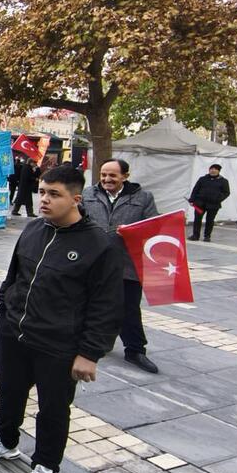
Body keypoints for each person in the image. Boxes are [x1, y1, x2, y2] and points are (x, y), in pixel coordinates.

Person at [0, 165, 122, 473]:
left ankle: (46, 467)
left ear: (76, 199)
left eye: (54, 194)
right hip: (15, 332)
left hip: (59, 344)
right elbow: (14, 275)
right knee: (9, 390)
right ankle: (5, 439)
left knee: (53, 409)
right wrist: (5, 307)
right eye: (42, 192)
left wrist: (90, 353)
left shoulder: (100, 244)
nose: (44, 200)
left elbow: (107, 305)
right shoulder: (34, 229)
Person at [81, 159, 160, 373]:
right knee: (91, 306)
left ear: (125, 176)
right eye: (104, 174)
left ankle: (135, 350)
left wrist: (133, 231)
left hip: (127, 264)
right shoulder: (88, 194)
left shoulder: (143, 197)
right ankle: (94, 344)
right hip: (94, 262)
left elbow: (153, 227)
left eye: (112, 175)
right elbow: (77, 219)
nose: (107, 179)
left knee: (129, 308)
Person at [188, 163, 231, 242]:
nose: (213, 170)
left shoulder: (223, 181)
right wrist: (192, 200)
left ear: (218, 171)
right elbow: (195, 189)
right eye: (211, 169)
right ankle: (195, 235)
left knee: (210, 220)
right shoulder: (202, 179)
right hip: (200, 203)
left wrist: (218, 198)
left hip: (213, 204)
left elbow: (226, 192)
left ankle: (207, 236)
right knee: (197, 219)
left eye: (215, 169)